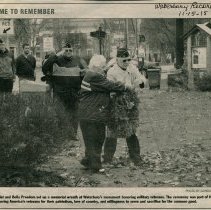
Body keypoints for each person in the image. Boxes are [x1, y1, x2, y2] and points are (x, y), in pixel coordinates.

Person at [78, 54, 129, 173]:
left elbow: (102, 88)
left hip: (88, 113)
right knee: (97, 138)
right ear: (96, 66)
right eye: (103, 66)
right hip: (93, 113)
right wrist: (124, 86)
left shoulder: (90, 74)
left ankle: (88, 160)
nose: (104, 68)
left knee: (91, 138)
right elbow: (111, 86)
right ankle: (95, 165)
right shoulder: (95, 76)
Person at [103, 48, 145, 166]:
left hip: (131, 101)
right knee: (113, 130)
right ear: (117, 60)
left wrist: (140, 82)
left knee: (130, 129)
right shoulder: (112, 72)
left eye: (128, 60)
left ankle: (135, 157)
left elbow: (140, 78)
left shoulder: (131, 67)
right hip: (116, 102)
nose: (127, 62)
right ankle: (107, 158)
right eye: (124, 60)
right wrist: (125, 87)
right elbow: (111, 87)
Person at [42, 43, 87, 138]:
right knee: (60, 113)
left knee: (74, 113)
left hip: (74, 92)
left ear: (72, 51)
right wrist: (54, 56)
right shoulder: (56, 60)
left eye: (70, 50)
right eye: (66, 50)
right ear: (62, 51)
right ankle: (62, 134)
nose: (68, 52)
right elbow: (44, 68)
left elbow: (86, 73)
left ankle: (73, 134)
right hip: (60, 93)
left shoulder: (78, 60)